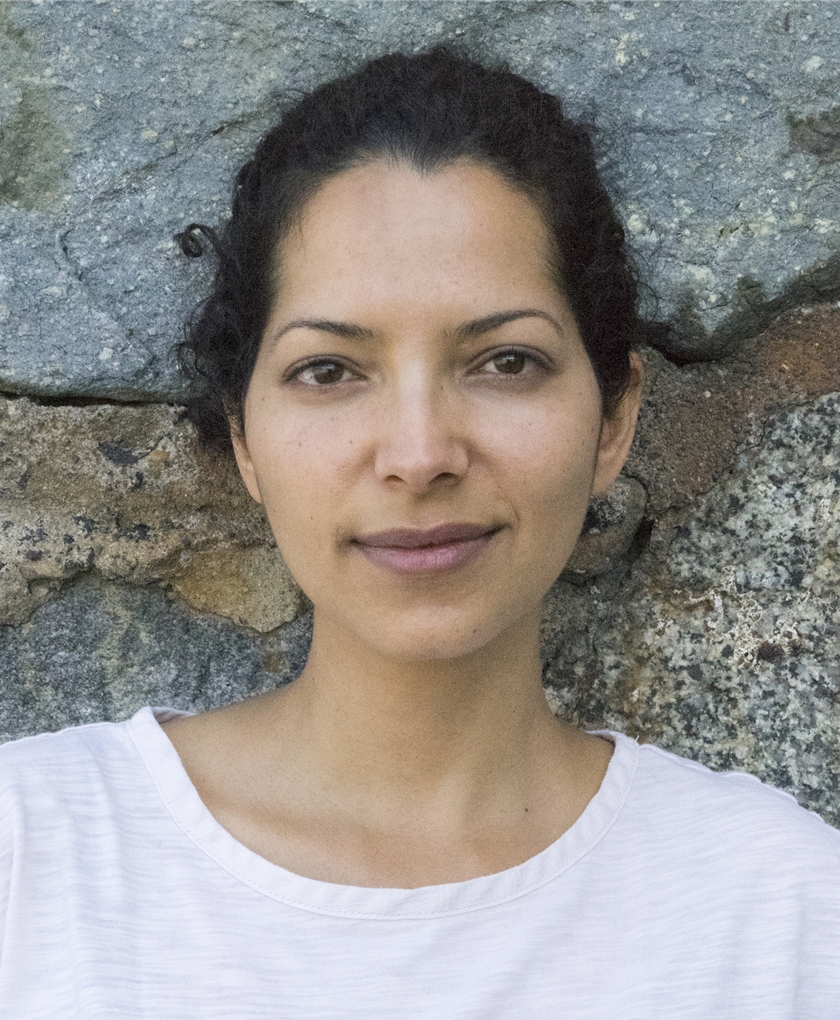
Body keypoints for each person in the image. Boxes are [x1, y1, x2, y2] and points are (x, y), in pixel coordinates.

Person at [1, 48, 838, 1018]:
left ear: (613, 419)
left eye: (506, 362)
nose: (420, 453)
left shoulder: (785, 914)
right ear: (244, 438)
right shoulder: (34, 857)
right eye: (329, 371)